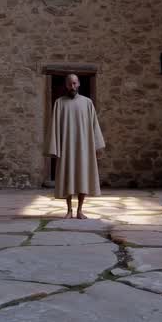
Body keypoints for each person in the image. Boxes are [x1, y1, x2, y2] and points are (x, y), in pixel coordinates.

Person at [47, 74, 105, 219]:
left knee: (82, 177)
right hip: (66, 147)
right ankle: (69, 211)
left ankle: (79, 210)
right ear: (66, 85)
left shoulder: (87, 103)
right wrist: (54, 148)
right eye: (69, 84)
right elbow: (54, 126)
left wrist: (97, 146)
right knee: (67, 177)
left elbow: (94, 125)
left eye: (74, 83)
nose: (72, 87)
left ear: (78, 84)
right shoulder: (59, 103)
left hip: (84, 147)